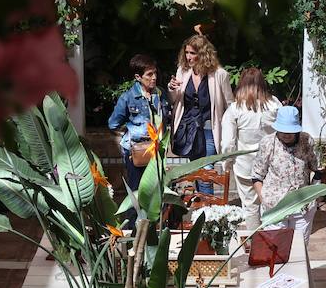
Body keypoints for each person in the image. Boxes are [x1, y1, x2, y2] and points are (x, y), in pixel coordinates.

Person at [167, 34, 234, 197]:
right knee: (196, 169)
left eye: (192, 53)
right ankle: (202, 204)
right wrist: (171, 89)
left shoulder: (219, 75)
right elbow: (174, 100)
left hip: (209, 127)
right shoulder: (183, 71)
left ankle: (208, 207)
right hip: (188, 127)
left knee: (206, 169)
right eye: (187, 52)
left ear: (203, 54)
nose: (188, 57)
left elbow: (230, 104)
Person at [219, 67, 281, 230]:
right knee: (272, 203)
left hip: (245, 166)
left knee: (250, 206)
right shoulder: (274, 104)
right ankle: (272, 237)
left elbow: (228, 142)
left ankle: (255, 240)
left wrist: (227, 162)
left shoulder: (235, 109)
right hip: (271, 165)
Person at [107, 53, 164, 228]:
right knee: (136, 191)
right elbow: (113, 123)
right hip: (137, 151)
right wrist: (132, 132)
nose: (154, 78)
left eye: (155, 73)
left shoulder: (159, 94)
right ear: (138, 77)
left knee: (156, 191)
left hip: (156, 150)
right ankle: (134, 230)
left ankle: (153, 229)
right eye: (149, 74)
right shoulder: (128, 97)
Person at [250, 105, 320, 241]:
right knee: (276, 246)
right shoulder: (268, 143)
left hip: (302, 206)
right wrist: (264, 198)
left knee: (300, 246)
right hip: (275, 207)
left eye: (290, 131)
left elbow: (317, 169)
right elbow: (257, 176)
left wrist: (315, 196)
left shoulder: (307, 141)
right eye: (282, 131)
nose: (286, 135)